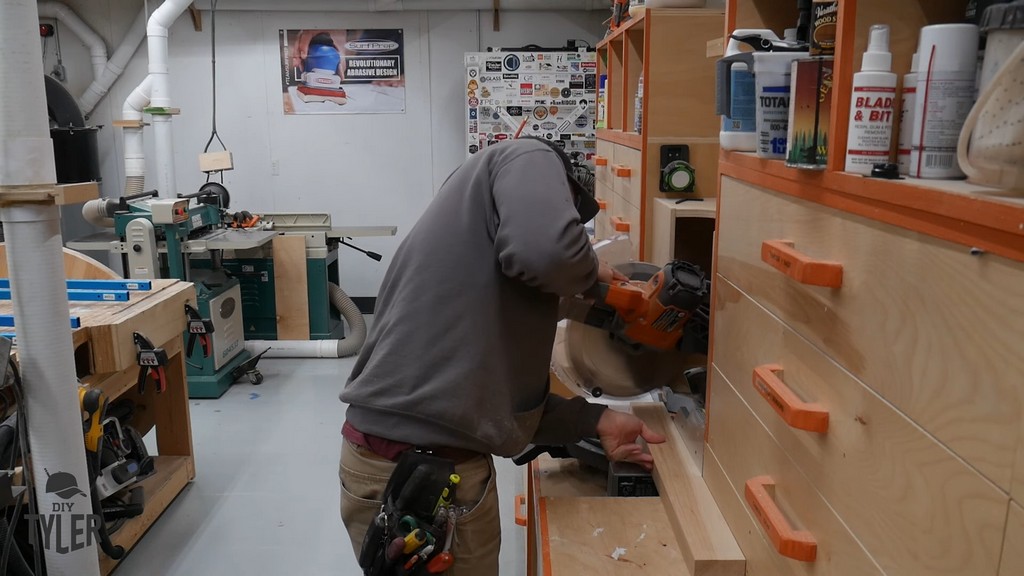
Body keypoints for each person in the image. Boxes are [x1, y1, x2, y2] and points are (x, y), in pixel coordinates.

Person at [338, 137, 665, 575]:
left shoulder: (474, 263)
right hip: (425, 479)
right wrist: (590, 274)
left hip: (386, 461)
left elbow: (485, 404)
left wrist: (595, 421)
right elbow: (548, 251)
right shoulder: (528, 155)